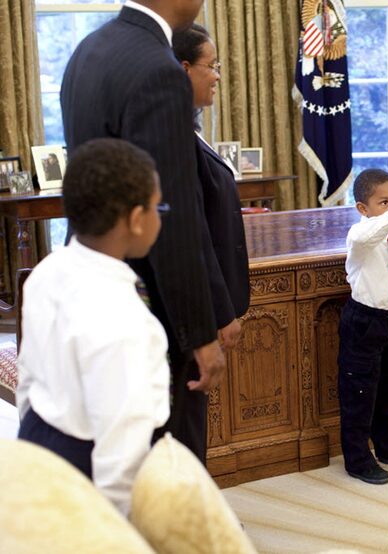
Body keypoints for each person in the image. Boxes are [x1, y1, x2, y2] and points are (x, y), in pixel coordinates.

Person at [60, 0, 226, 463]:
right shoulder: (159, 69)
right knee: (168, 460)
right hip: (150, 305)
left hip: (95, 284)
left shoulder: (88, 50)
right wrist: (199, 333)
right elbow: (171, 214)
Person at [16, 138, 169, 516]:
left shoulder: (47, 272)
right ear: (136, 220)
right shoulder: (125, 320)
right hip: (89, 467)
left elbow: (27, 379)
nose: (160, 217)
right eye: (157, 207)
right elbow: (122, 448)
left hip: (38, 439)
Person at [339, 169, 388, 485]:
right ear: (362, 208)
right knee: (360, 392)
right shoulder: (359, 238)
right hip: (363, 323)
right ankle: (358, 459)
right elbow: (366, 235)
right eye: (383, 202)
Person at [173, 24, 249, 352]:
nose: (217, 76)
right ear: (184, 68)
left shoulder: (189, 127)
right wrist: (221, 312)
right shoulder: (174, 137)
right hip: (200, 312)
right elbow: (194, 235)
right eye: (212, 65)